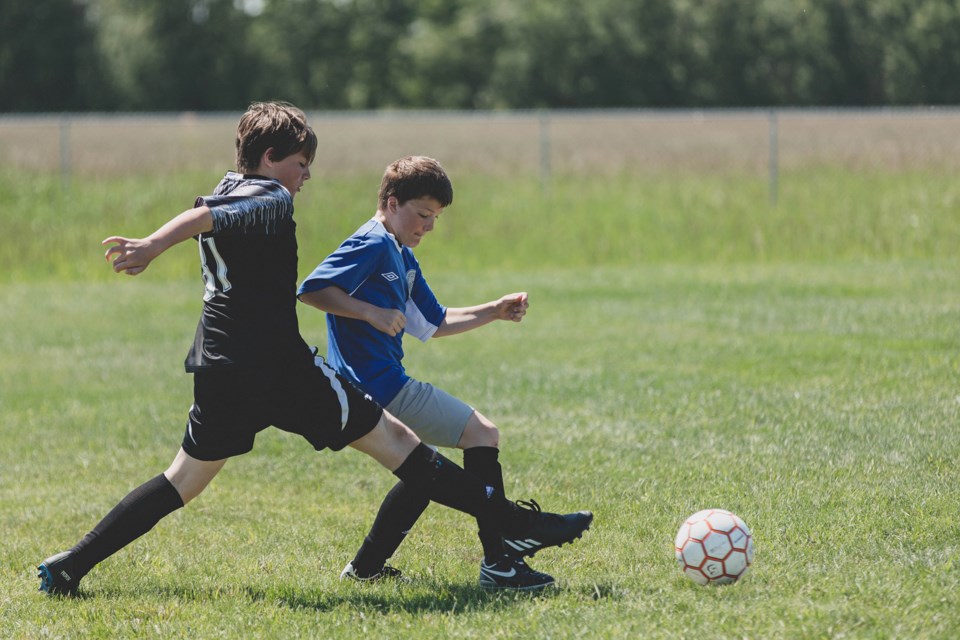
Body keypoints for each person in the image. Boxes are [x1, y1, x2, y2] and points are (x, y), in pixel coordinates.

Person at [35, 102, 592, 597]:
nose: (304, 178)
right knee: (398, 440)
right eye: (301, 165)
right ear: (272, 157)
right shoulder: (269, 196)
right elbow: (213, 218)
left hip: (219, 366)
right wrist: (154, 244)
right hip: (276, 365)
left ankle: (71, 564)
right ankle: (511, 525)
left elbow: (213, 212)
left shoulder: (231, 186)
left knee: (183, 480)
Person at [298, 156, 585, 591]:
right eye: (423, 215)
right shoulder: (373, 243)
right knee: (481, 433)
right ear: (392, 203)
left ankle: (365, 568)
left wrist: (494, 311)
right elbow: (313, 289)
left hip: (377, 387)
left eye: (435, 218)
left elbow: (434, 322)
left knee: (424, 471)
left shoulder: (401, 256)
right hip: (378, 388)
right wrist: (369, 312)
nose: (428, 227)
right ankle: (501, 560)